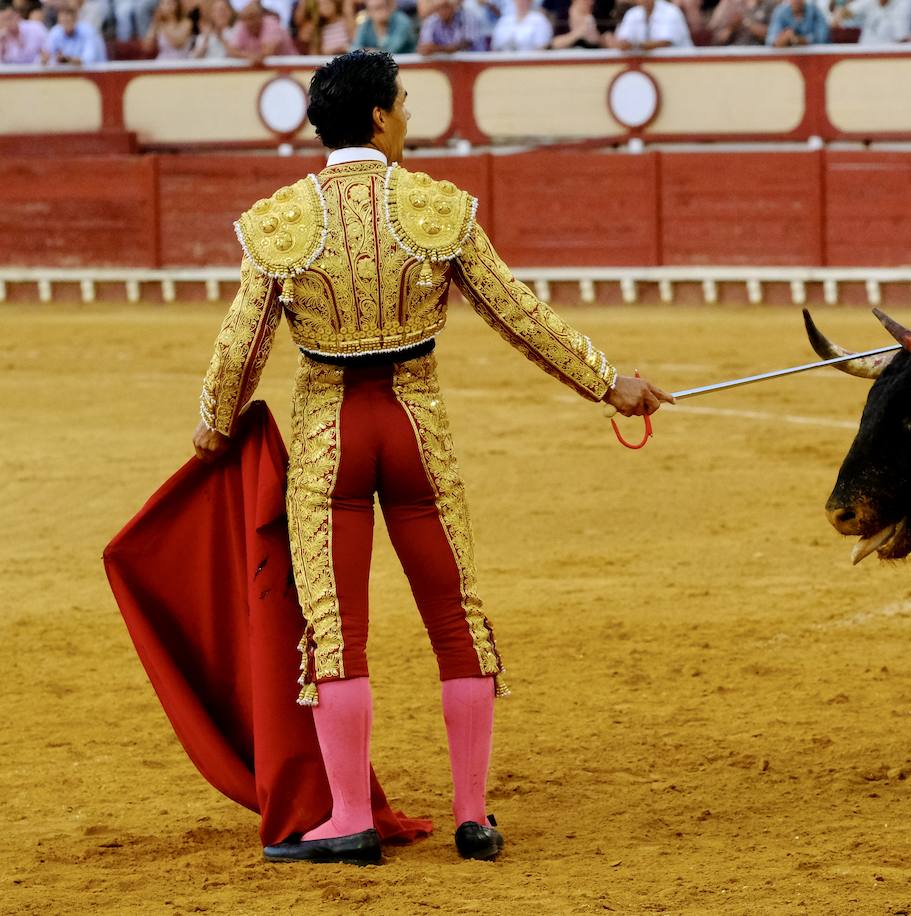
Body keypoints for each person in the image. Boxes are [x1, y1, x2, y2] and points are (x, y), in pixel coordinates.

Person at [192, 48, 671, 866]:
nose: (409, 116)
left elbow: (239, 351)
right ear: (378, 116)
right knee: (455, 618)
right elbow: (519, 315)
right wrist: (607, 382)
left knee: (338, 633)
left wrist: (212, 427)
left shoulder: (282, 220)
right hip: (413, 427)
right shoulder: (433, 207)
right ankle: (473, 816)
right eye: (404, 103)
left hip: (329, 434)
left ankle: (348, 819)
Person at [227, 0, 297, 57]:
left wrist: (247, 56)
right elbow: (231, 51)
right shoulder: (242, 24)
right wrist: (250, 56)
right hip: (261, 71)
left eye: (252, 17)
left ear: (261, 16)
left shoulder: (271, 23)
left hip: (291, 67)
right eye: (246, 18)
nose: (250, 22)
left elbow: (268, 52)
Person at [609, 0, 690, 48]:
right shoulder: (632, 13)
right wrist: (622, 44)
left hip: (680, 65)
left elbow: (665, 42)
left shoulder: (671, 11)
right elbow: (623, 41)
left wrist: (636, 46)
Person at [830, 0, 911, 44]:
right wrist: (839, 8)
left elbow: (901, 37)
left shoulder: (901, 6)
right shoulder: (868, 2)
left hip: (887, 52)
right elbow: (846, 13)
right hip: (866, 49)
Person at [351, 0, 417, 51]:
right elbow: (354, 48)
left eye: (383, 6)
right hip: (381, 65)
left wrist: (369, 51)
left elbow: (393, 49)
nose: (382, 11)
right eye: (377, 8)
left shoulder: (402, 21)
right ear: (369, 11)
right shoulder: (366, 24)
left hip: (408, 64)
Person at [418, 0, 483, 50]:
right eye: (439, 7)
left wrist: (437, 49)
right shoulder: (432, 20)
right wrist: (428, 48)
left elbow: (466, 44)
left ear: (453, 7)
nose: (443, 11)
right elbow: (424, 46)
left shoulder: (468, 16)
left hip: (472, 59)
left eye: (446, 7)